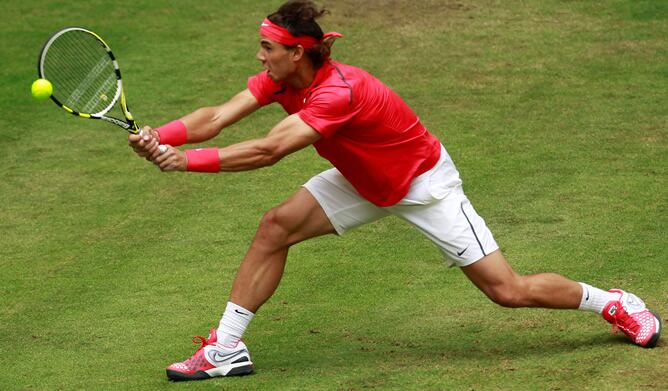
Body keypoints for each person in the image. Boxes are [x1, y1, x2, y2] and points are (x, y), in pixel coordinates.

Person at [129, 0, 661, 382]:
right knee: (275, 226)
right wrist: (164, 135)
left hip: (421, 184)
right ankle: (226, 349)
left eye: (267, 48)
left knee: (507, 291)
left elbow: (270, 150)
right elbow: (219, 116)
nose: (260, 56)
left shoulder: (337, 93)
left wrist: (185, 163)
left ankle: (614, 302)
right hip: (362, 179)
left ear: (297, 54)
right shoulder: (279, 79)